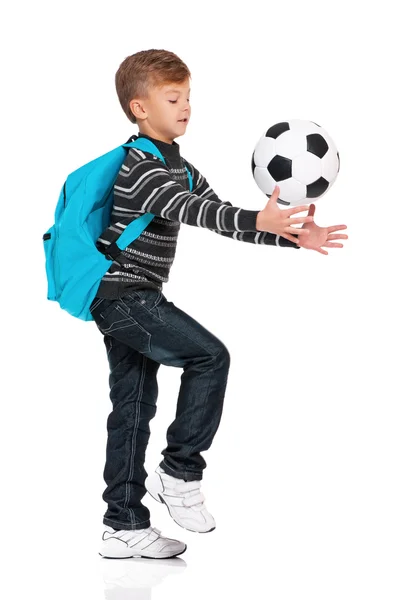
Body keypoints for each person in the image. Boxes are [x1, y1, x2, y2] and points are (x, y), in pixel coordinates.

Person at [91, 49, 348, 559]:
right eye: (173, 97)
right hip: (123, 295)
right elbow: (191, 210)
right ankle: (180, 472)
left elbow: (225, 213)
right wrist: (257, 220)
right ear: (140, 108)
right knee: (210, 356)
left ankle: (122, 524)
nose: (186, 106)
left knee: (133, 407)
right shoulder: (141, 166)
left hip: (133, 298)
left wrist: (291, 237)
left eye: (189, 96)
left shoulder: (178, 165)